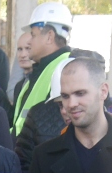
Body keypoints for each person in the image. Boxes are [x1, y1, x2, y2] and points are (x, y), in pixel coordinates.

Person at [12, 2, 72, 135]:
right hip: (24, 149)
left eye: (33, 35)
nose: (29, 41)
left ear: (49, 36)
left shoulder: (65, 68)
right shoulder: (42, 68)